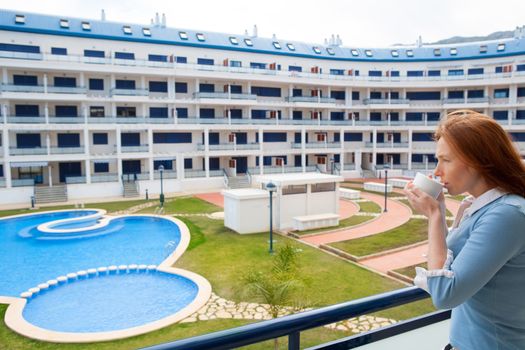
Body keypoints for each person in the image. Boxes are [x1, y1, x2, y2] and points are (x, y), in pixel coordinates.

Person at [404, 110, 525, 350]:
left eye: (446, 160)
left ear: (479, 160)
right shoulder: (482, 206)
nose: (437, 171)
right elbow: (454, 265)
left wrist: (435, 216)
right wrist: (437, 205)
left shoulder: (507, 214)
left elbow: (445, 294)